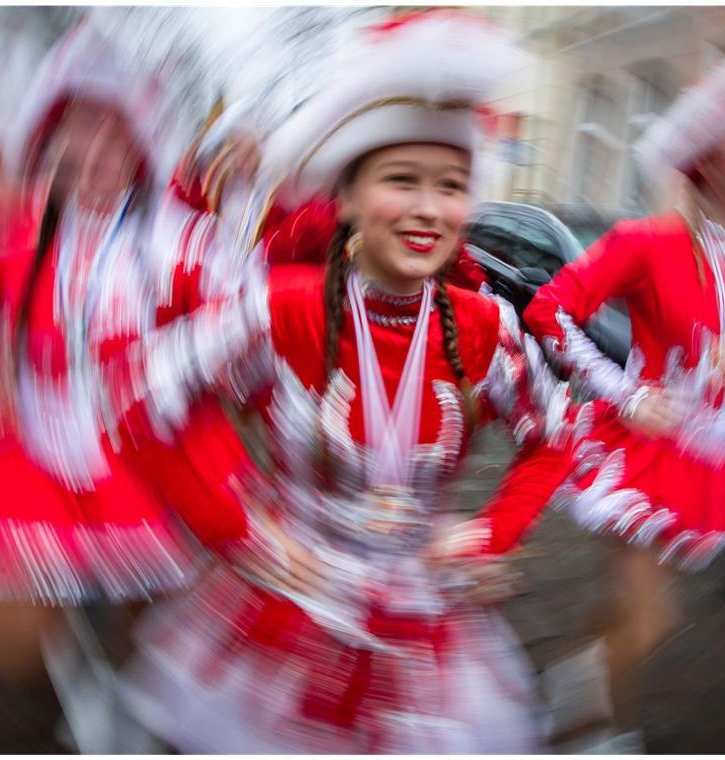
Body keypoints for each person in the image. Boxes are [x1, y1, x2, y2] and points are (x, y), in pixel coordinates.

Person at [101, 11, 580, 753]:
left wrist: (490, 533)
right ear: (349, 200)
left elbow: (555, 437)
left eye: (450, 186)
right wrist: (237, 522)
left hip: (425, 640)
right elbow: (139, 398)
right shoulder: (279, 311)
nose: (428, 208)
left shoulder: (487, 330)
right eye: (401, 181)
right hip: (279, 616)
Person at [522, 43, 725, 743]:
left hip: (704, 467)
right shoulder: (648, 242)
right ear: (707, 155)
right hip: (639, 452)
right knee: (651, 618)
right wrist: (624, 390)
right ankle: (591, 731)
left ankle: (574, 695)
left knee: (631, 616)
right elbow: (548, 310)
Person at [0, 23, 195, 687]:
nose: (92, 149)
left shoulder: (171, 246)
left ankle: (115, 698)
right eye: (77, 128)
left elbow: (233, 324)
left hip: (140, 460)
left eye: (110, 131)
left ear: (138, 148)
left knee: (150, 644)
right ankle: (68, 672)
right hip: (29, 452)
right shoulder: (13, 234)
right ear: (50, 142)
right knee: (20, 655)